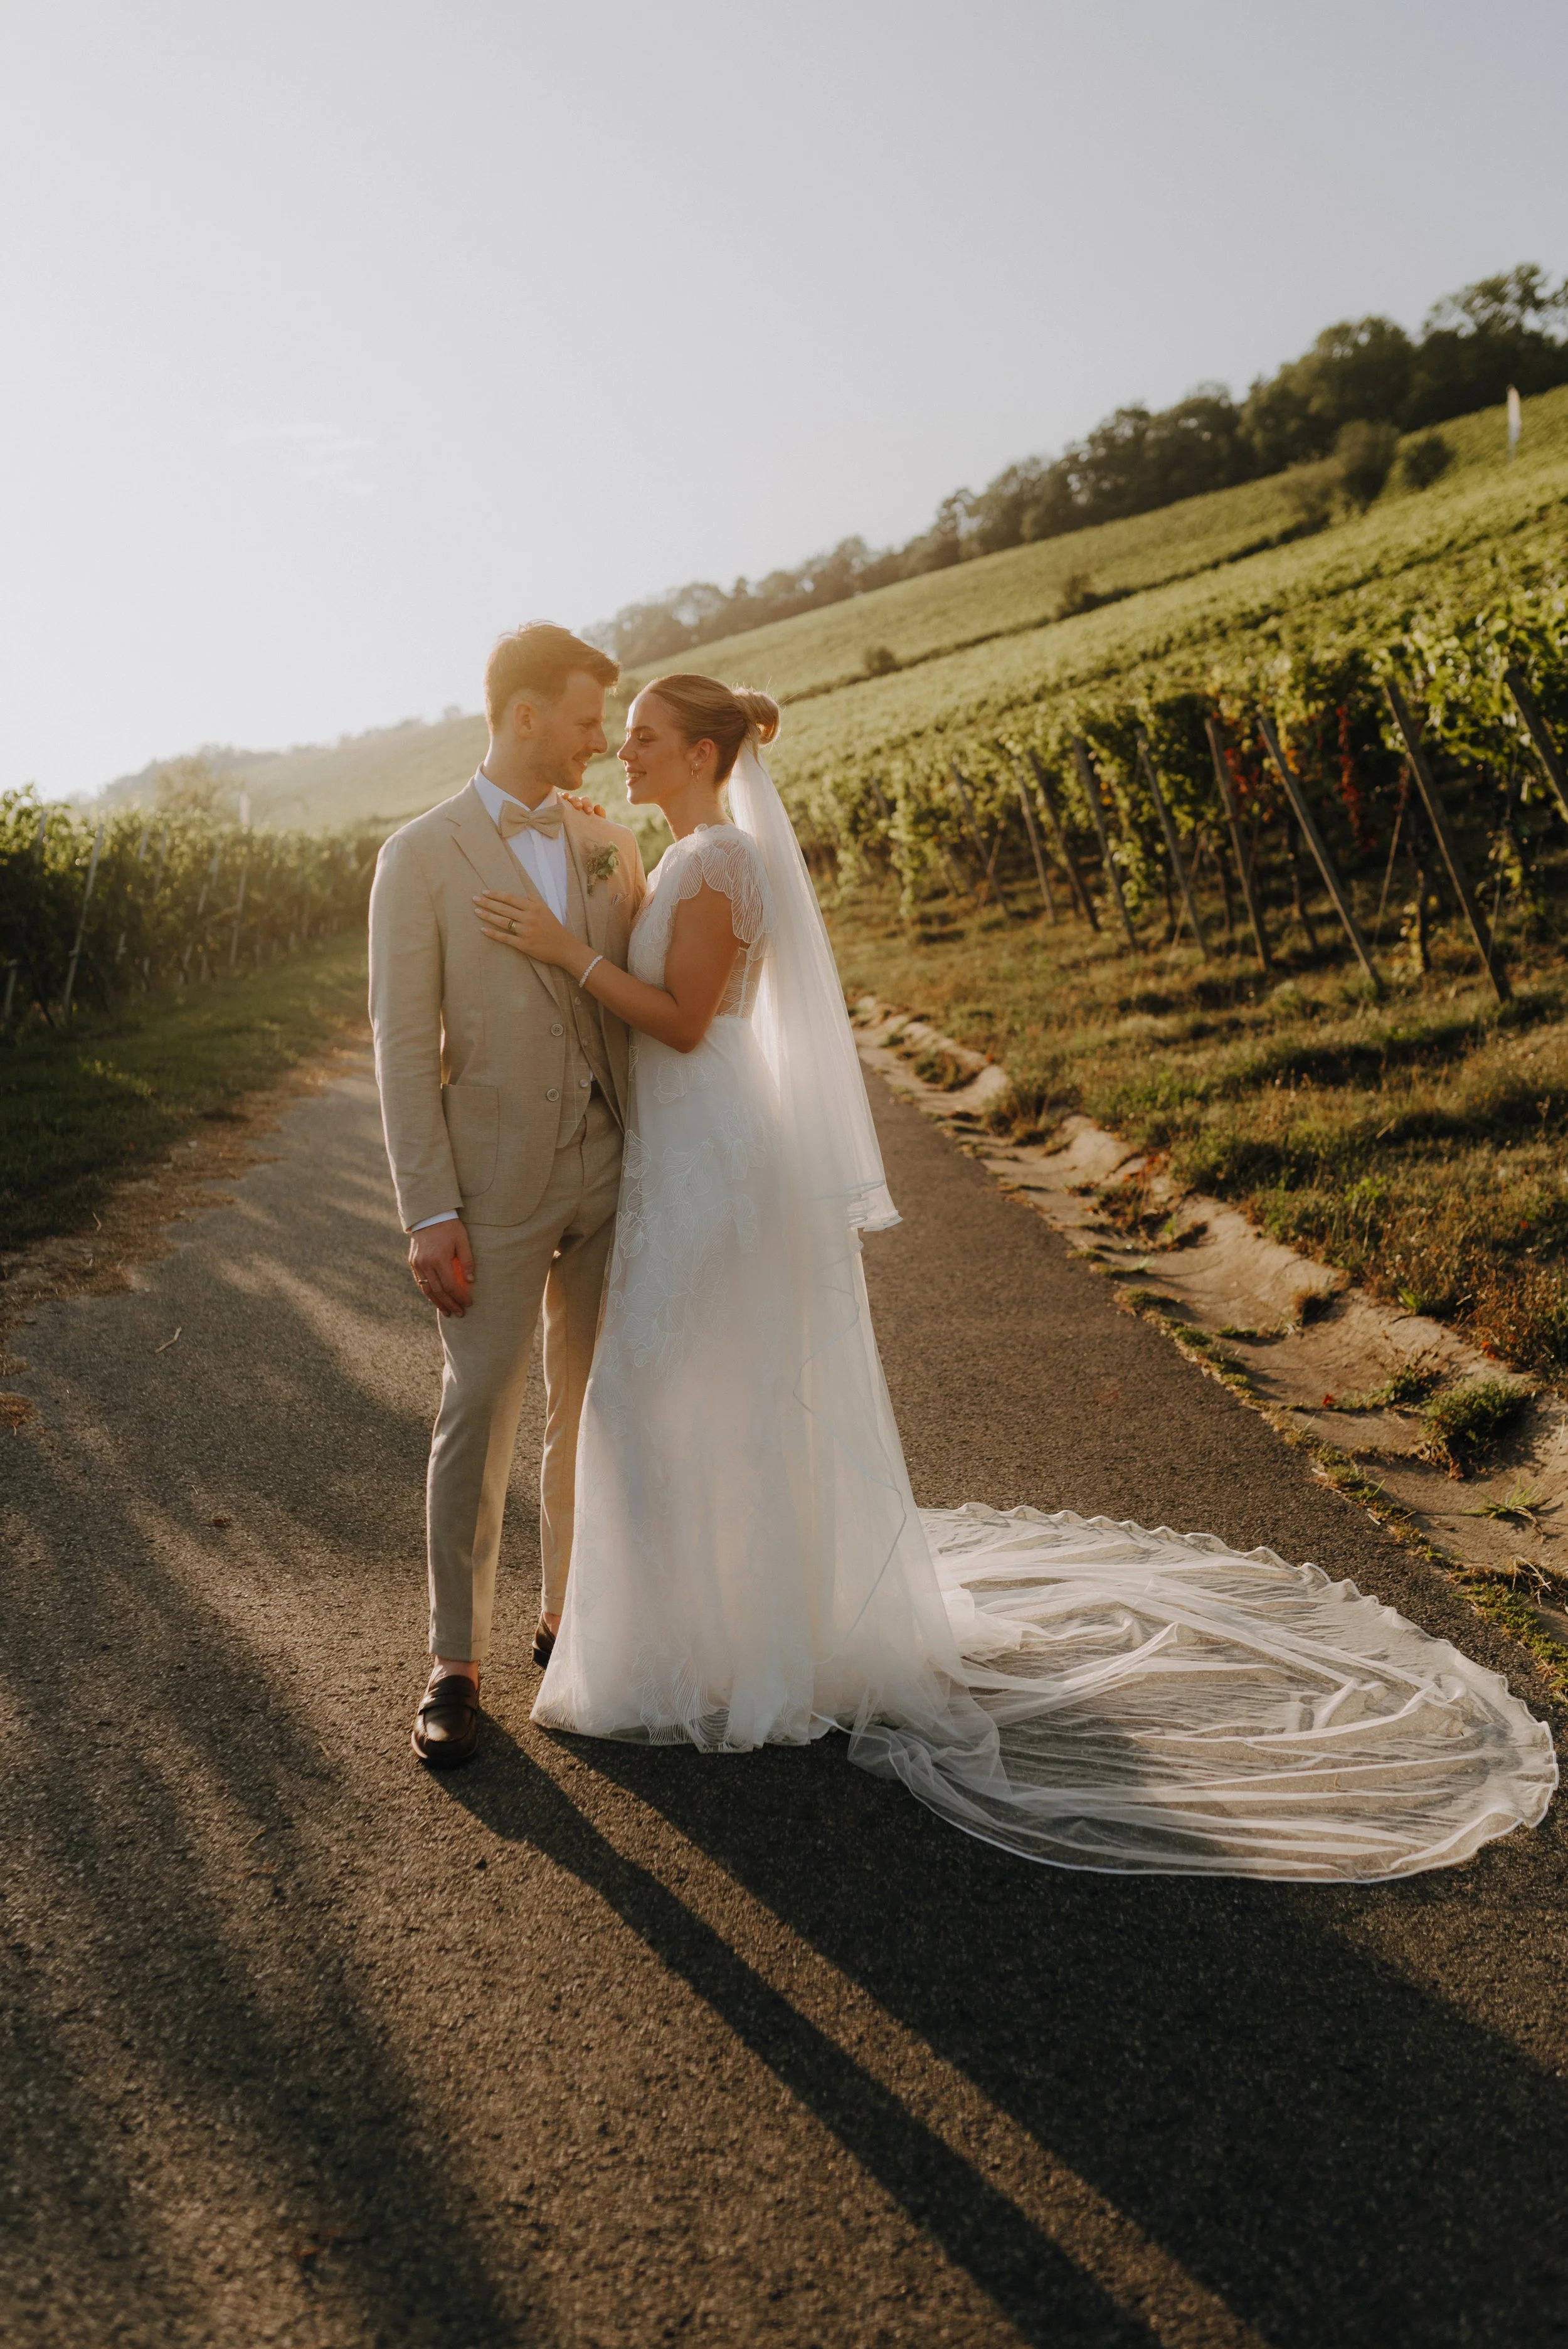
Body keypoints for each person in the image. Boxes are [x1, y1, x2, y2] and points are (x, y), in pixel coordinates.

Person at [469, 675, 1556, 1879]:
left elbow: (680, 1021)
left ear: (705, 753)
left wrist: (568, 951)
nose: (623, 753)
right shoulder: (683, 855)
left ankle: (726, 1656)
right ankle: (705, 1639)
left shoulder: (722, 860)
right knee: (687, 1394)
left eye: (644, 738)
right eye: (622, 738)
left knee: (660, 1393)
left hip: (715, 1148)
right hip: (683, 1145)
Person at [369, 622, 645, 1769]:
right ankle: (455, 1664)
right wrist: (428, 1209)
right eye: (585, 720)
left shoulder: (607, 841)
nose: (600, 742)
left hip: (612, 1166)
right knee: (477, 1410)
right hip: (487, 1190)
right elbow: (401, 1047)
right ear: (524, 716)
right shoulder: (418, 855)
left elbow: (642, 989)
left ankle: (568, 1617)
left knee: (594, 1404)